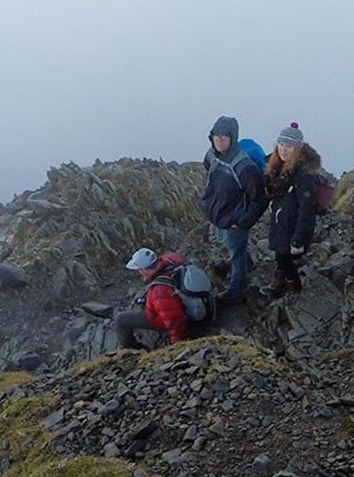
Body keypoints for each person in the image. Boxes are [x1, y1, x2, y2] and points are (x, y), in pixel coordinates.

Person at [199, 115, 268, 303]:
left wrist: (242, 221)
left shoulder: (245, 167)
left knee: (235, 256)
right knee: (234, 249)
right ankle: (248, 263)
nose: (219, 139)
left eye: (224, 136)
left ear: (233, 137)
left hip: (234, 222)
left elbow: (260, 199)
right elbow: (209, 172)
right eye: (216, 136)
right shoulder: (212, 155)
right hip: (218, 217)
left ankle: (235, 291)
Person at [260, 122, 320, 298]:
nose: (284, 150)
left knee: (285, 257)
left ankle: (295, 288)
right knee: (281, 256)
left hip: (292, 227)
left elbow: (307, 211)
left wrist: (299, 240)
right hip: (281, 223)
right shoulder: (278, 169)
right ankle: (280, 281)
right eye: (281, 145)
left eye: (289, 146)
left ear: (298, 150)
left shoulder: (303, 176)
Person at [111, 247, 190, 348]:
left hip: (161, 318)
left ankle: (132, 350)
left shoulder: (159, 292)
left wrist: (177, 344)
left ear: (144, 269)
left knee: (120, 320)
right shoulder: (172, 260)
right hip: (181, 301)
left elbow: (174, 320)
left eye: (139, 270)